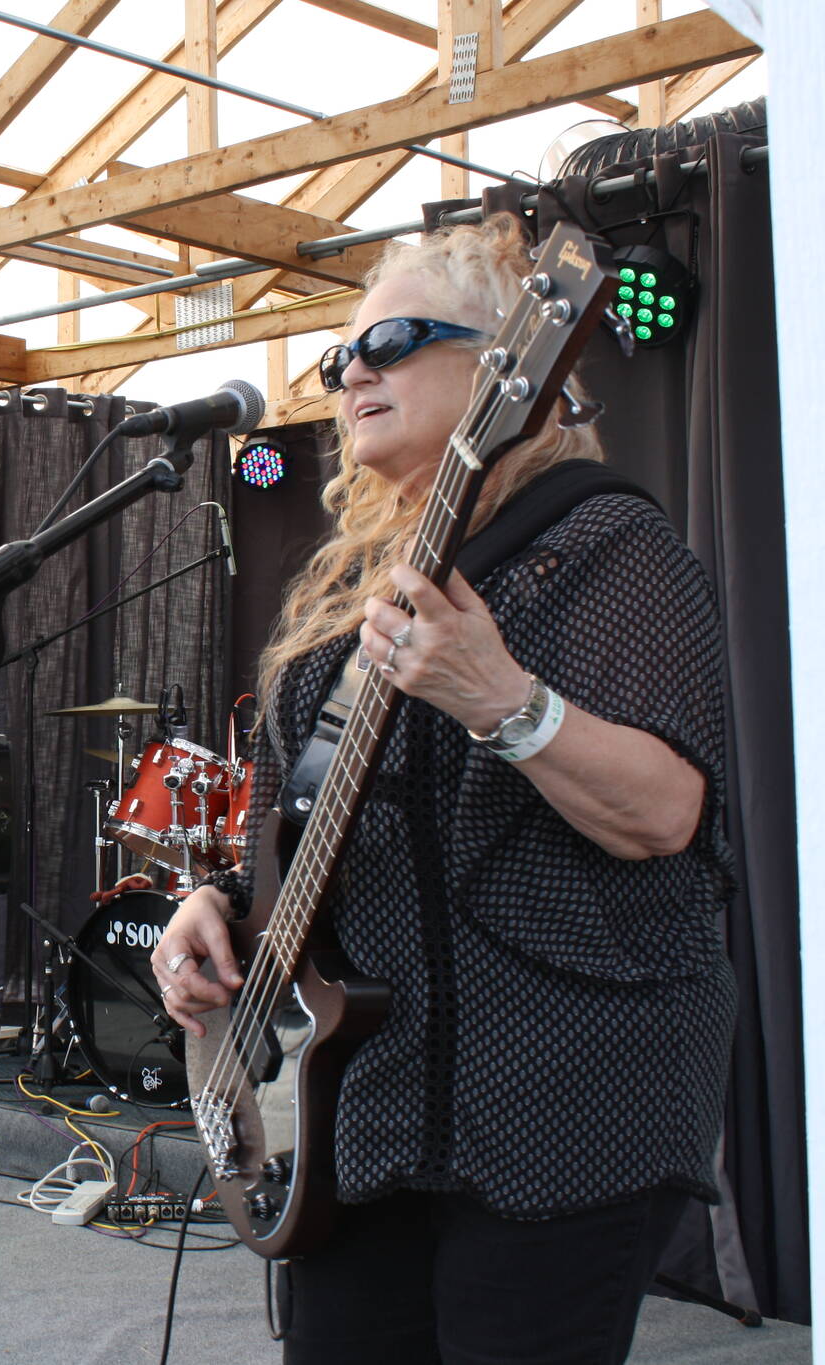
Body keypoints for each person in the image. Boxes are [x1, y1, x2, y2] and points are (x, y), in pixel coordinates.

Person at [152, 216, 736, 1363]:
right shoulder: (344, 604)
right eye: (337, 359)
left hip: (561, 1104)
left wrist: (502, 701)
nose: (351, 370)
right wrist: (213, 904)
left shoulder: (604, 545)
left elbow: (666, 812)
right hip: (367, 1111)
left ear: (507, 369)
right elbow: (293, 826)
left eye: (395, 339)